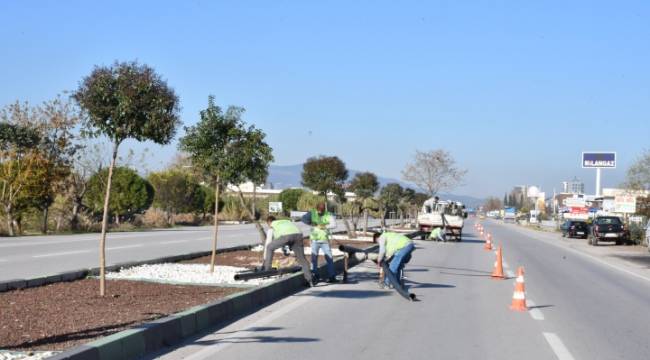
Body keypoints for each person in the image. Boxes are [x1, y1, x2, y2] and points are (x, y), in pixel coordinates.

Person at [263, 216, 314, 286]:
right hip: (298, 234)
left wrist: (284, 249)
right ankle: (310, 280)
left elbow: (278, 239)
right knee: (302, 259)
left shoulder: (273, 224)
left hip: (287, 236)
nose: (269, 226)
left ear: (269, 222)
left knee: (269, 247)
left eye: (268, 225)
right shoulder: (285, 221)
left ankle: (267, 270)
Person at [301, 202, 337, 283]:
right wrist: (310, 223)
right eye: (319, 211)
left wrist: (325, 226)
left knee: (329, 258)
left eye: (322, 211)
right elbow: (303, 219)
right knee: (314, 259)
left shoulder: (328, 214)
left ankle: (332, 276)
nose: (320, 212)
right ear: (316, 209)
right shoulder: (312, 213)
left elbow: (334, 224)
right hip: (314, 240)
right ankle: (315, 276)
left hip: (324, 240)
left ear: (324, 210)